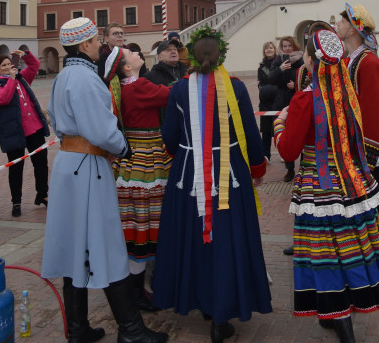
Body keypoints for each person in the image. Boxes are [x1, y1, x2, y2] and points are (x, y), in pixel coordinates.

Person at [41, 17, 168, 343]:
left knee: (75, 247)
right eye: (97, 40)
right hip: (88, 166)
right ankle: (131, 330)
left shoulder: (64, 74)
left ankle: (78, 329)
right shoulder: (85, 77)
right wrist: (123, 146)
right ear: (85, 45)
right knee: (108, 245)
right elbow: (100, 129)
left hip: (72, 164)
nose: (102, 45)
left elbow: (56, 120)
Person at [274, 29, 379, 343]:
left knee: (326, 252)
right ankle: (351, 304)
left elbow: (288, 150)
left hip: (319, 183)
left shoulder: (305, 99)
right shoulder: (347, 93)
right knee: (354, 245)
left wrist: (279, 123)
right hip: (352, 180)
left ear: (312, 60)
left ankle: (340, 318)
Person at [152, 26, 272, 343]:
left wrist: (183, 153)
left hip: (187, 174)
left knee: (193, 237)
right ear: (221, 55)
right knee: (229, 237)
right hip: (229, 172)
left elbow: (169, 138)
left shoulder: (179, 89)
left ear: (192, 56)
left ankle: (203, 303)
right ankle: (224, 312)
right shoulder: (235, 87)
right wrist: (257, 167)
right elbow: (251, 132)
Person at [336, 3, 379, 283]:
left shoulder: (369, 62)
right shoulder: (353, 58)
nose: (336, 26)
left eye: (340, 22)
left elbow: (375, 113)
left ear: (353, 27)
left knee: (374, 213)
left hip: (368, 153)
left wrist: (365, 155)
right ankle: (378, 272)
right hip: (357, 151)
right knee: (367, 213)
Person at [104, 46, 172, 312]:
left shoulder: (123, 89)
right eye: (131, 54)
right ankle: (139, 290)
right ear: (127, 67)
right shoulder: (140, 86)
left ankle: (135, 286)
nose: (137, 53)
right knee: (147, 219)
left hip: (130, 158)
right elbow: (169, 95)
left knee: (134, 219)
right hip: (148, 156)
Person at [0, 49, 49, 218]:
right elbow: (3, 99)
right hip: (14, 132)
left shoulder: (21, 78)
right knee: (16, 167)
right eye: (4, 65)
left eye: (9, 64)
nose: (8, 67)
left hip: (33, 128)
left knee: (41, 164)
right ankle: (16, 201)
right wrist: (12, 80)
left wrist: (26, 54)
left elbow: (34, 65)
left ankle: (42, 194)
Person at [265, 35, 304, 181]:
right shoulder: (278, 60)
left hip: (297, 100)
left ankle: (305, 167)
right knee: (286, 134)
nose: (287, 48)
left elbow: (308, 78)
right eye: (284, 46)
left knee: (301, 133)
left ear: (294, 46)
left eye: (289, 46)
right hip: (282, 101)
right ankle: (290, 169)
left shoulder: (301, 60)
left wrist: (297, 85)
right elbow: (270, 80)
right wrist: (280, 69)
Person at [257, 41, 278, 161]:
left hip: (277, 102)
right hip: (265, 102)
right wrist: (263, 88)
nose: (269, 50)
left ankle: (283, 153)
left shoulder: (279, 63)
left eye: (271, 48)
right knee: (265, 130)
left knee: (279, 128)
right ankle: (266, 155)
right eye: (266, 48)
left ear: (274, 50)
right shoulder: (261, 66)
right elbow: (260, 83)